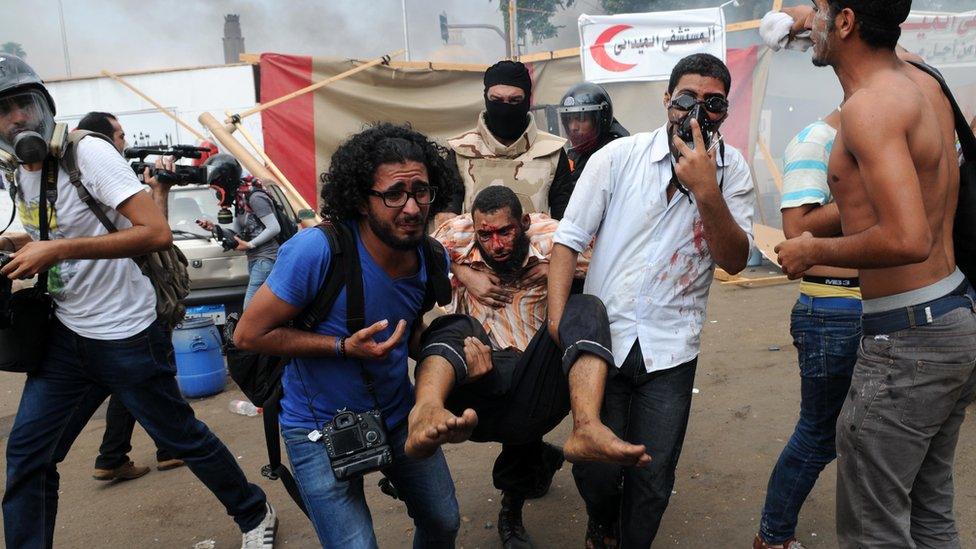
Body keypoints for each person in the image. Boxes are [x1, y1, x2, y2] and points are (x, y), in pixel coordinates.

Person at [0, 55, 276, 549]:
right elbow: (56, 234)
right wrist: (22, 245)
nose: (17, 118)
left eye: (24, 103)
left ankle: (255, 512)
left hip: (127, 333)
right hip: (67, 335)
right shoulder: (17, 170)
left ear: (43, 104)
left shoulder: (89, 155)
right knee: (28, 456)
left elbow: (156, 231)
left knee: (182, 437)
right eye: (3, 110)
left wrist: (58, 248)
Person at [773, 2, 974, 547]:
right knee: (929, 513)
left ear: (845, 21)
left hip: (908, 339)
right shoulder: (919, 82)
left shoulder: (870, 108)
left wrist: (813, 248)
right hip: (949, 315)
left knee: (872, 528)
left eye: (817, 9)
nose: (807, 19)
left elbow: (909, 237)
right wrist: (802, 20)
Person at [549, 53, 755, 547]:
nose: (697, 111)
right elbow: (568, 240)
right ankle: (602, 521)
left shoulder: (734, 172)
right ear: (667, 101)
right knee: (596, 470)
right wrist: (559, 324)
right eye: (687, 99)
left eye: (713, 103)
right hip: (604, 343)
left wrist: (707, 189)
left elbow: (734, 260)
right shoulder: (617, 158)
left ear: (725, 112)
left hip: (671, 350)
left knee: (652, 477)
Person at [233, 123, 463, 548]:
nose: (412, 208)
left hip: (397, 416)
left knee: (444, 521)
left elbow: (410, 331)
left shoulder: (431, 257)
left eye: (422, 191)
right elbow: (248, 334)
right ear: (361, 199)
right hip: (318, 428)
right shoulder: (316, 251)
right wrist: (341, 347)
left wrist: (454, 356)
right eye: (394, 194)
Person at [410, 185, 620, 549]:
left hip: (534, 372)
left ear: (523, 223)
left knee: (585, 306)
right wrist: (465, 273)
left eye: (505, 232)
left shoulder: (550, 235)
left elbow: (607, 255)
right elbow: (421, 253)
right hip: (478, 372)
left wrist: (557, 267)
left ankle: (523, 499)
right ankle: (426, 409)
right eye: (486, 235)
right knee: (454, 328)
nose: (497, 245)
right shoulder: (456, 233)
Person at [753, 110, 860, 549]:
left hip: (867, 307)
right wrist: (864, 194)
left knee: (858, 434)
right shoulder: (817, 139)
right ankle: (773, 535)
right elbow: (795, 231)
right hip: (832, 306)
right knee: (818, 435)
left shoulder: (867, 140)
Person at [75, 111, 186, 481]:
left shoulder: (105, 175)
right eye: (119, 135)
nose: (124, 142)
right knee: (151, 372)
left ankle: (112, 456)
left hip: (116, 302)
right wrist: (160, 192)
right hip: (133, 299)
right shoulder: (103, 174)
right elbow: (157, 233)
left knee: (132, 378)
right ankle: (170, 448)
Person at [436, 60, 572, 227]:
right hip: (475, 251)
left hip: (537, 250)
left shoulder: (551, 151)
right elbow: (447, 226)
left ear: (527, 100)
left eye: (515, 100)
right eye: (496, 100)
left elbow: (567, 225)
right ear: (486, 98)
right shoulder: (461, 150)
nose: (505, 109)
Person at [195, 153, 280, 309]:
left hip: (266, 259)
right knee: (258, 311)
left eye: (217, 188)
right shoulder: (241, 199)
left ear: (226, 182)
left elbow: (274, 227)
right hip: (255, 259)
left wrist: (250, 245)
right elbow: (238, 235)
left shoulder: (254, 197)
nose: (217, 193)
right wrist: (213, 228)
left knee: (249, 309)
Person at [557, 82, 628, 183]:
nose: (573, 127)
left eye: (581, 119)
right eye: (569, 119)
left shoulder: (617, 154)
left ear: (601, 119)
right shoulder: (575, 154)